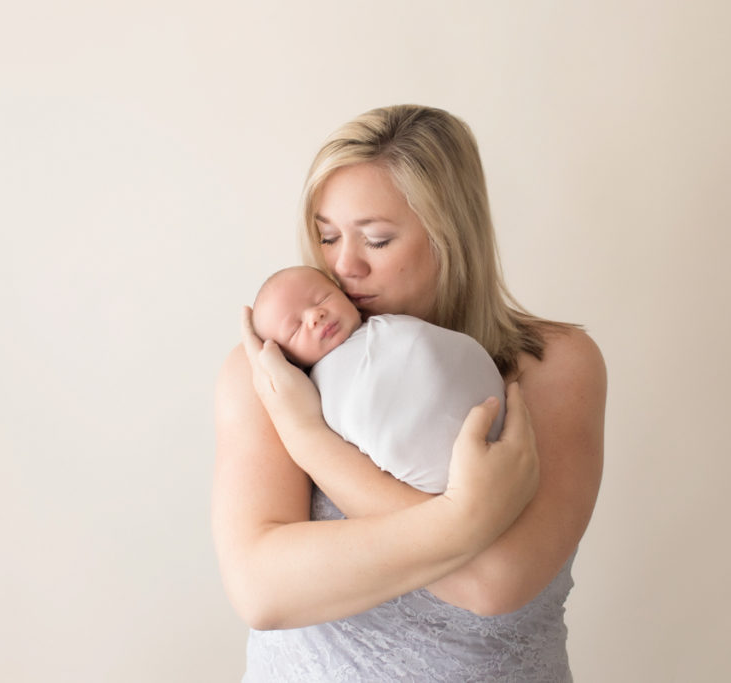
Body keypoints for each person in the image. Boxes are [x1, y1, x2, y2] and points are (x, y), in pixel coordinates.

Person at [213, 105, 606, 681]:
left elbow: (496, 583)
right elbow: (261, 592)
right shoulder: (274, 374)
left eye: (376, 239)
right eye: (327, 236)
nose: (343, 266)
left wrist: (307, 437)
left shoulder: (554, 364)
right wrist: (468, 518)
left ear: (450, 235)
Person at [251, 264, 505, 494]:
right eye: (295, 328)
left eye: (322, 298)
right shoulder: (310, 395)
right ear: (286, 359)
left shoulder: (387, 325)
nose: (315, 315)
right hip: (428, 479)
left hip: (487, 407)